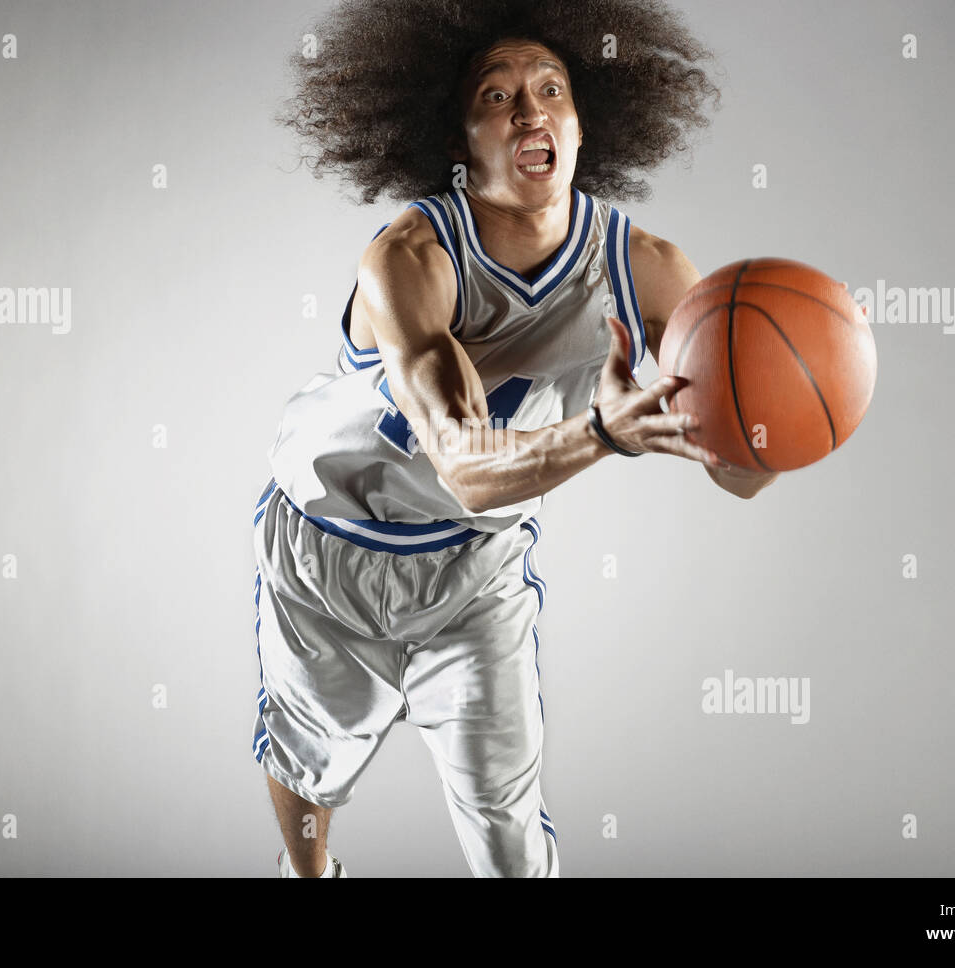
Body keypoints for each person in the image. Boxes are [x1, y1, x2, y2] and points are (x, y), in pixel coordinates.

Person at [252, 0, 778, 878]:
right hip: (332, 536)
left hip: (474, 567)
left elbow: (739, 474)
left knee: (507, 822)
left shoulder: (644, 262)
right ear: (458, 139)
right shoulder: (411, 257)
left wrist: (791, 413)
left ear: (580, 122)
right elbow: (464, 466)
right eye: (497, 97)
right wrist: (604, 431)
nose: (530, 110)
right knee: (315, 755)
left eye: (550, 89)